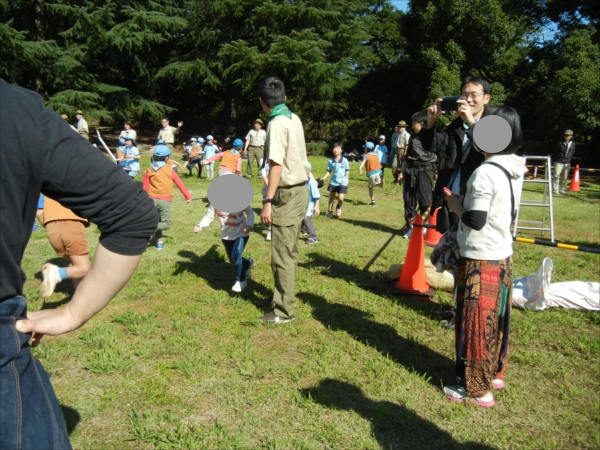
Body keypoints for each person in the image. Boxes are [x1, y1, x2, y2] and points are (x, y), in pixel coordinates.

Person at [0, 78, 158, 449]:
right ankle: (61, 273)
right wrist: (73, 314)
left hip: (53, 228)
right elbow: (132, 212)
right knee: (84, 268)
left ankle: (59, 271)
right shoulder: (14, 108)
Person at [442, 105, 527, 408]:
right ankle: (495, 372)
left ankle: (478, 389)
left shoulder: (484, 172)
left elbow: (475, 220)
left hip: (482, 258)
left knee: (478, 323)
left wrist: (455, 206)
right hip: (502, 253)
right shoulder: (513, 168)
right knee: (498, 320)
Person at [258, 77, 309, 324]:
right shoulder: (293, 117)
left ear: (261, 102)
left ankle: (284, 311)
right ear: (285, 98)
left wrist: (268, 200)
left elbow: (276, 165)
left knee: (282, 254)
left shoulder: (276, 123)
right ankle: (283, 297)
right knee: (289, 250)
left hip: (287, 195)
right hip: (301, 190)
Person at [420, 76, 491, 233]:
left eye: (474, 95)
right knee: (449, 254)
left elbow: (490, 150)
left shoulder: (493, 124)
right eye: (465, 95)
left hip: (477, 202)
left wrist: (473, 123)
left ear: (486, 98)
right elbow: (430, 146)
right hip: (450, 202)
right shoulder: (455, 126)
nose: (468, 100)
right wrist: (431, 122)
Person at [194, 178, 255, 293]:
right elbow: (209, 216)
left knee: (236, 255)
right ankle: (247, 263)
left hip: (241, 234)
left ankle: (241, 280)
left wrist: (249, 225)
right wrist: (200, 226)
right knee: (233, 260)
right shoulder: (215, 202)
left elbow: (250, 212)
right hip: (226, 236)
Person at [142, 144, 192, 250]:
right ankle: (146, 228)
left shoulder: (149, 169)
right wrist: (187, 196)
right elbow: (179, 183)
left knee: (157, 220)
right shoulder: (169, 169)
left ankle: (159, 241)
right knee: (166, 223)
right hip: (165, 200)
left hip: (150, 200)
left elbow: (144, 187)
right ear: (166, 158)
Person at [40, 196, 90, 297]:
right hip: (71, 222)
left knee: (76, 265)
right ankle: (57, 273)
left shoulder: (47, 191)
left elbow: (38, 211)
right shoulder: (76, 183)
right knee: (83, 268)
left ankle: (81, 298)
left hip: (51, 226)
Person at [398, 111, 437, 238]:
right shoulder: (413, 136)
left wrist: (438, 171)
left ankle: (423, 227)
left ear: (421, 123)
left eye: (413, 123)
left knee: (425, 201)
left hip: (426, 170)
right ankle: (410, 227)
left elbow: (442, 155)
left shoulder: (433, 136)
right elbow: (407, 156)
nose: (412, 126)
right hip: (412, 170)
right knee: (409, 200)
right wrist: (402, 172)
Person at [318, 142, 350, 218]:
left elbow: (347, 169)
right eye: (334, 148)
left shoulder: (344, 160)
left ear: (341, 150)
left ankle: (339, 206)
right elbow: (329, 171)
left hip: (342, 183)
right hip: (333, 182)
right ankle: (329, 212)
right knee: (331, 197)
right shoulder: (330, 161)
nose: (336, 150)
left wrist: (346, 176)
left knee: (341, 198)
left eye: (338, 148)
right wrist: (324, 178)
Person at [300, 162, 321, 244]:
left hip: (310, 204)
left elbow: (317, 196)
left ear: (309, 171)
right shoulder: (301, 182)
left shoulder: (311, 183)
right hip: (302, 204)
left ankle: (313, 237)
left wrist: (317, 206)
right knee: (300, 216)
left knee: (306, 218)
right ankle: (303, 230)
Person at [359, 141, 383, 205]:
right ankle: (380, 182)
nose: (364, 149)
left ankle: (373, 201)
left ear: (366, 149)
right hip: (379, 171)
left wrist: (360, 168)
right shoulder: (375, 154)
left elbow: (363, 161)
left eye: (365, 148)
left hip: (371, 173)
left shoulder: (366, 155)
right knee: (379, 184)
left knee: (370, 187)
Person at [553, 130, 576, 195]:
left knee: (564, 177)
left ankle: (562, 189)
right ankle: (555, 190)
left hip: (567, 162)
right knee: (556, 175)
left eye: (568, 135)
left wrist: (569, 156)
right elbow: (556, 150)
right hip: (559, 161)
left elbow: (572, 151)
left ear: (571, 136)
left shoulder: (573, 143)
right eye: (565, 135)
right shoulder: (560, 142)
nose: (566, 136)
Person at [258, 157, 272, 241]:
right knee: (269, 210)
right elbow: (264, 175)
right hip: (267, 188)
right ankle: (270, 230)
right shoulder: (262, 160)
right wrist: (271, 187)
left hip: (280, 187)